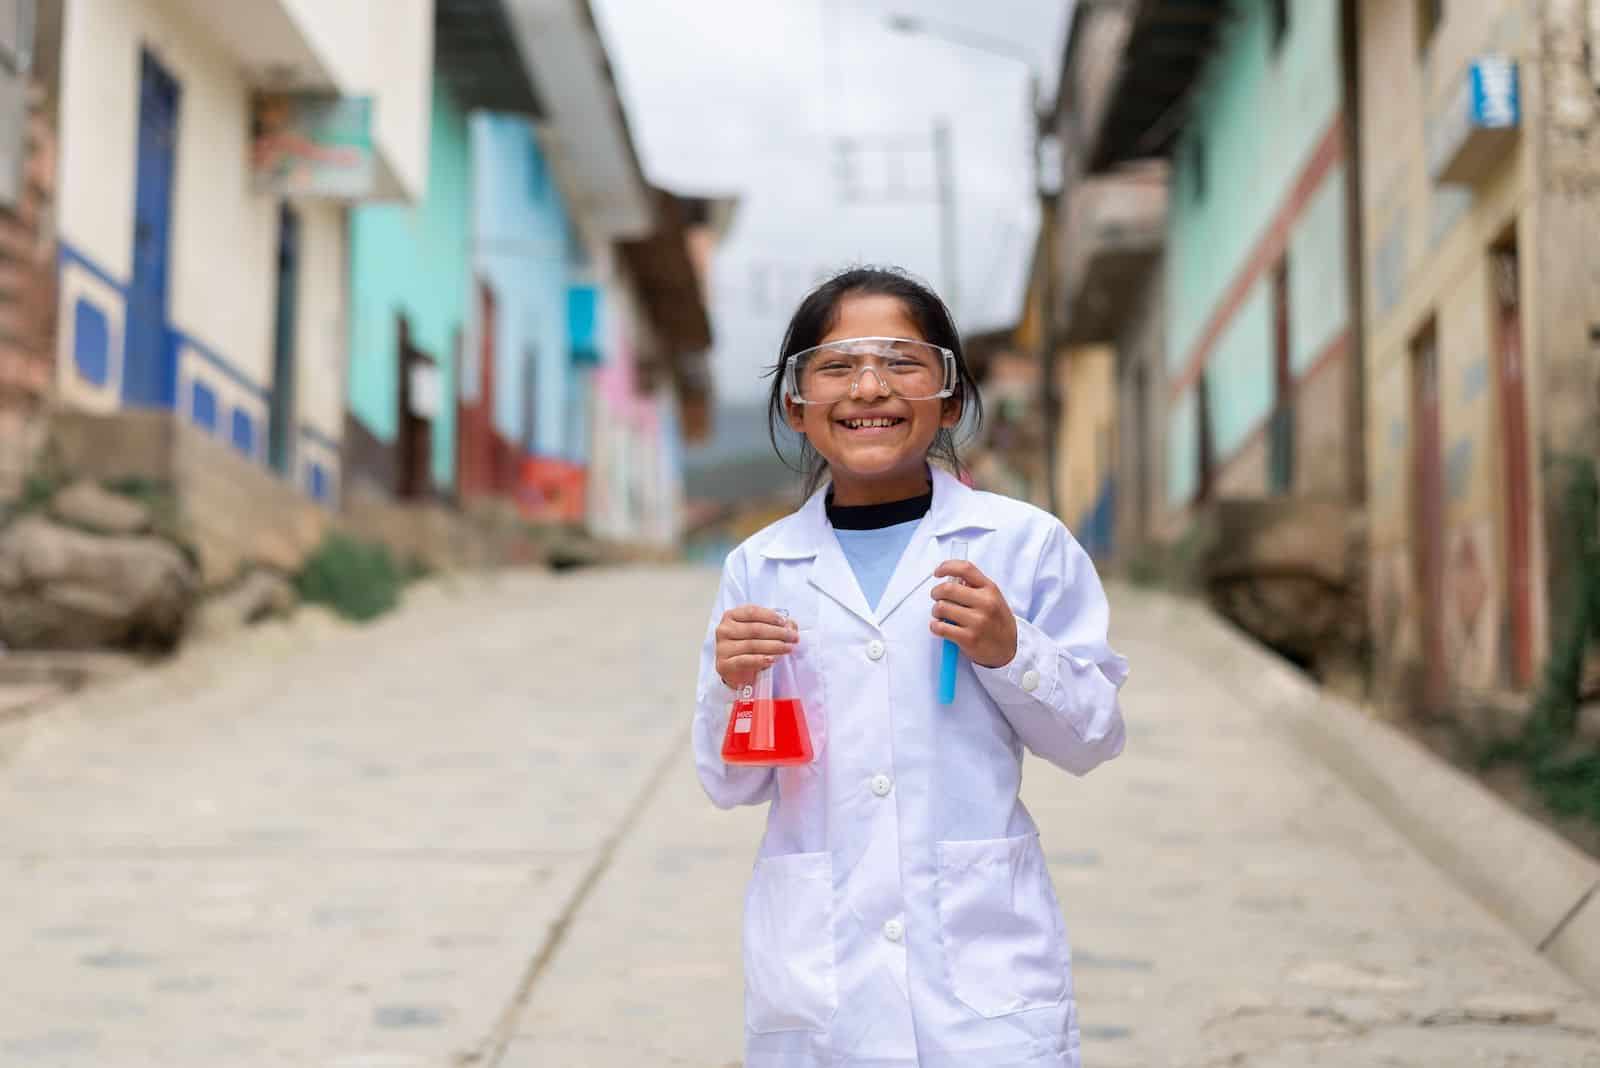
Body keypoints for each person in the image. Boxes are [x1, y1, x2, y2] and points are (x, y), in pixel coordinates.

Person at [693, 265, 1128, 1068]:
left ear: (950, 397)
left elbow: (1093, 738)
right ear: (797, 404)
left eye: (900, 362)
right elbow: (731, 783)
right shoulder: (764, 566)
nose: (868, 388)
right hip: (823, 977)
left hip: (982, 967)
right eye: (836, 366)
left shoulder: (1023, 546)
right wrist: (731, 684)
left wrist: (1011, 650)